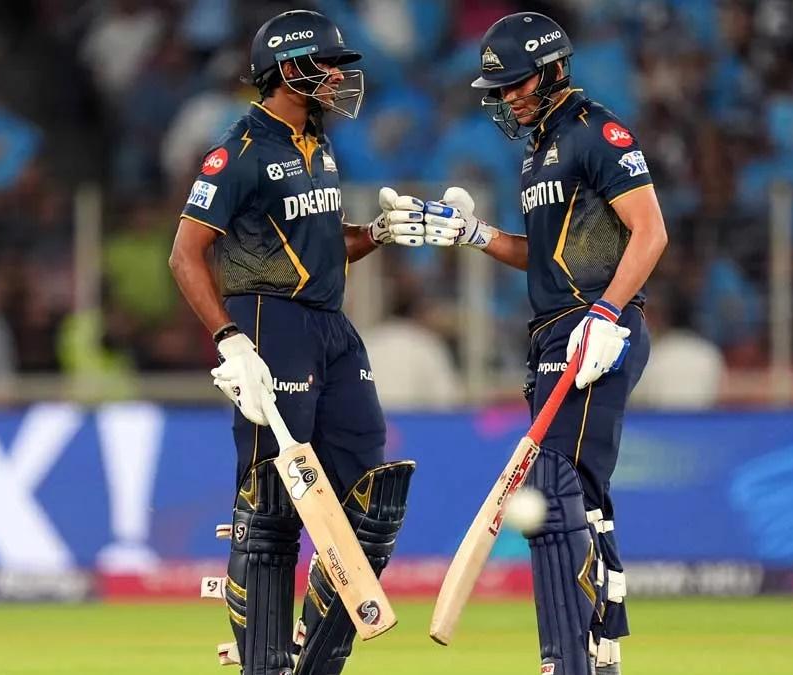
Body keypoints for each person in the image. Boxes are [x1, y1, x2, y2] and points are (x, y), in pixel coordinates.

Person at [167, 10, 427, 674]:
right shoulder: (242, 148)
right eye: (329, 65)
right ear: (291, 70)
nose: (341, 77)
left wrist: (381, 231)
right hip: (267, 322)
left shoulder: (319, 143)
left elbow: (325, 244)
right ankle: (264, 660)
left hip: (329, 324)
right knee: (272, 501)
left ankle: (311, 658)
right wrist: (228, 341)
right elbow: (186, 253)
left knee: (374, 490)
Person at [417, 12, 669, 674]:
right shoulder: (537, 151)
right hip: (555, 328)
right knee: (577, 497)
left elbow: (650, 230)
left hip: (596, 327)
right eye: (497, 89)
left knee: (555, 492)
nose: (505, 98)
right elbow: (545, 255)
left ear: (554, 70)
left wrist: (609, 312)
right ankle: (596, 651)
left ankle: (567, 659)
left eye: (515, 85)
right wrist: (475, 234)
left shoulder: (596, 131)